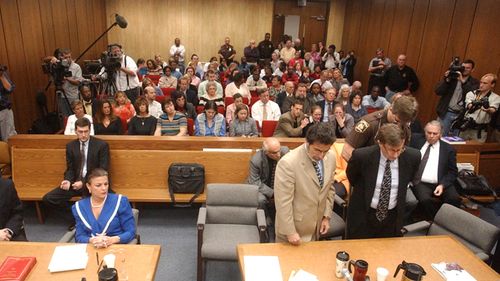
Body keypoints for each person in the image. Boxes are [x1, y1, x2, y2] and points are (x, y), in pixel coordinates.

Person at [346, 124, 420, 239]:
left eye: (399, 150)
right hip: (364, 215)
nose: (395, 155)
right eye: (391, 150)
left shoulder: (413, 157)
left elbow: (410, 178)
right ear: (380, 143)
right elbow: (353, 178)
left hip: (392, 218)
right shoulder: (362, 156)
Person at [274, 122, 336, 244]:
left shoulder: (331, 157)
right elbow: (283, 202)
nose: (321, 156)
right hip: (293, 230)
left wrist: (326, 216)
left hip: (316, 227)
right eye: (317, 150)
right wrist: (290, 231)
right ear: (307, 142)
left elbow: (329, 189)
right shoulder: (288, 163)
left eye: (325, 151)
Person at [43, 117, 110, 223]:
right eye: (80, 132)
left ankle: (84, 221)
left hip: (93, 184)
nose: (83, 135)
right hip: (74, 183)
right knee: (49, 198)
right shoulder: (70, 146)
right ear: (75, 131)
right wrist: (67, 180)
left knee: (86, 202)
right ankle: (75, 219)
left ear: (90, 130)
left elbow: (102, 170)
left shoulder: (101, 145)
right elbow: (70, 168)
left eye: (86, 131)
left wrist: (84, 183)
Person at [410, 120, 461, 220]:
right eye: (429, 133)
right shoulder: (416, 141)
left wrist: (442, 185)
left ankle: (450, 222)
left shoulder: (448, 149)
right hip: (421, 182)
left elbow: (453, 171)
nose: (431, 136)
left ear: (440, 134)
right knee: (425, 200)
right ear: (424, 132)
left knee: (453, 198)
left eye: (435, 133)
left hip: (441, 181)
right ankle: (436, 221)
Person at [342, 95, 418, 161]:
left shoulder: (405, 128)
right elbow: (346, 151)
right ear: (391, 108)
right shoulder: (369, 123)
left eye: (405, 122)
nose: (400, 125)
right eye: (397, 120)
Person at [72, 168, 135, 246]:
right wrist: (92, 240)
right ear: (89, 186)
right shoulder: (79, 207)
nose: (104, 188)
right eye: (98, 185)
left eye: (106, 184)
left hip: (116, 247)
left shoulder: (120, 201)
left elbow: (131, 232)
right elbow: (79, 236)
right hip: (91, 248)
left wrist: (112, 240)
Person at [247, 138, 289, 223]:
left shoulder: (286, 152)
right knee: (260, 200)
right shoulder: (256, 160)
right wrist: (272, 193)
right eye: (274, 153)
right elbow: (254, 182)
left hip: (281, 185)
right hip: (264, 186)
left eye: (279, 150)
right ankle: (265, 221)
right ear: (266, 152)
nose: (278, 154)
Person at [435, 59, 479, 136]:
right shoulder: (452, 78)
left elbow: (472, 95)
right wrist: (447, 80)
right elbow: (438, 91)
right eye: (463, 67)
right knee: (439, 136)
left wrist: (463, 82)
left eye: (468, 68)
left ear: (472, 70)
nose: (464, 69)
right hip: (446, 113)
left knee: (455, 141)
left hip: (460, 116)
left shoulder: (474, 82)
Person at [459, 73, 499, 142]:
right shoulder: (471, 93)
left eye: (485, 83)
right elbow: (469, 106)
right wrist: (477, 103)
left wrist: (488, 109)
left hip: (479, 131)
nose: (481, 85)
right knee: (460, 148)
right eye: (481, 82)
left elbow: (493, 110)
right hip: (466, 127)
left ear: (492, 85)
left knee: (476, 151)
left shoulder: (496, 98)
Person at [57, 49, 83, 117]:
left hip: (73, 96)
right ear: (61, 58)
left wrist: (67, 78)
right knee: (66, 117)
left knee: (75, 116)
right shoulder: (59, 67)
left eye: (69, 57)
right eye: (65, 57)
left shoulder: (76, 67)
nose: (68, 59)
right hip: (63, 96)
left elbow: (78, 82)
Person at [0, 64, 17, 141]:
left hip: (4, 110)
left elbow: (10, 88)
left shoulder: (2, 74)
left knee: (9, 138)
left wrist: (1, 76)